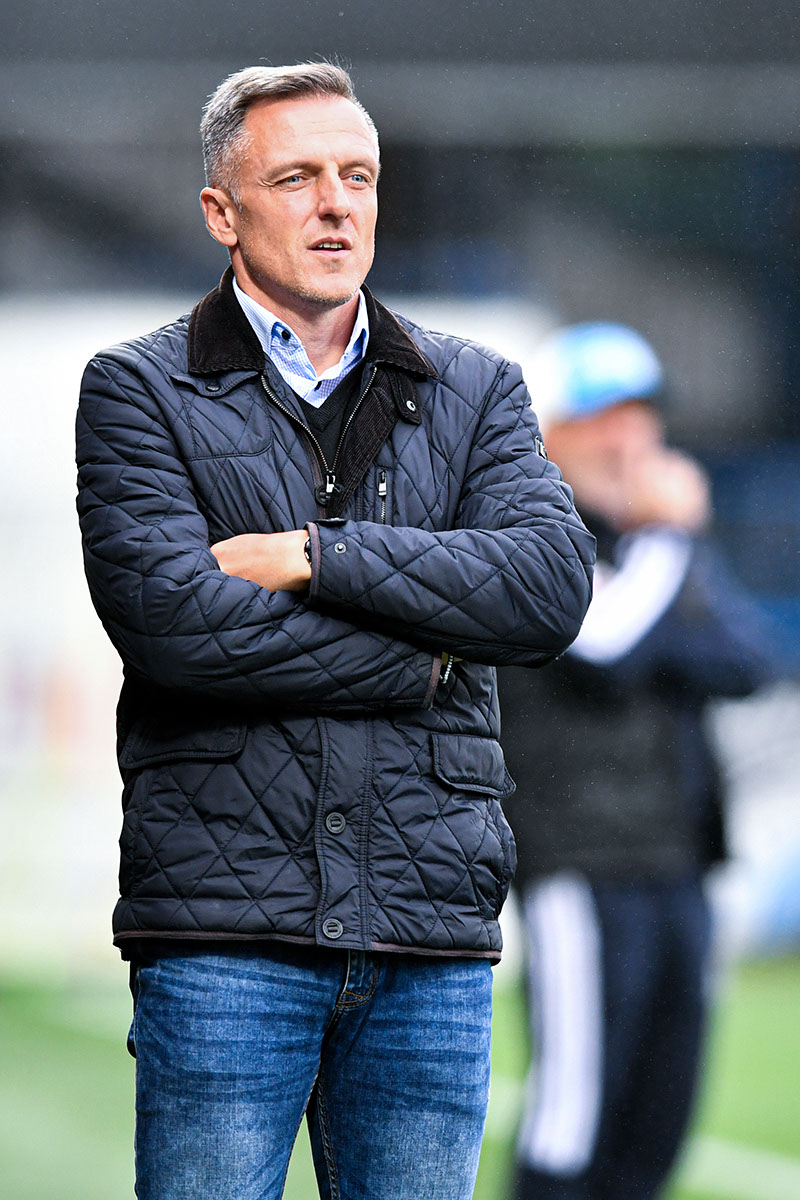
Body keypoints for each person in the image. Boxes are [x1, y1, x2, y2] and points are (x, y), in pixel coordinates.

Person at [75, 63, 594, 1200]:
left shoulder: (478, 388)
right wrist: (429, 650)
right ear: (221, 211)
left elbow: (549, 592)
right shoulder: (137, 389)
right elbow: (178, 631)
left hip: (429, 938)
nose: (335, 205)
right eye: (297, 178)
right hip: (223, 937)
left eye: (357, 176)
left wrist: (320, 557)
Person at [500, 322, 777, 1200]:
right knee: (572, 1123)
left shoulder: (648, 549)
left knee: (657, 1124)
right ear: (550, 432)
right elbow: (605, 647)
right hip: (580, 865)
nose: (629, 440)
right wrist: (672, 543)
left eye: (640, 416)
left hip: (678, 863)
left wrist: (666, 561)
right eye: (601, 419)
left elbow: (747, 660)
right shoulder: (525, 529)